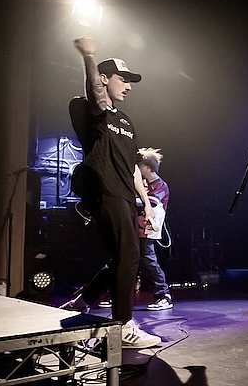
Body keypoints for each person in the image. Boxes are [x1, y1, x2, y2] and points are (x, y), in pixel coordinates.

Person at [60, 36, 161, 349]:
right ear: (104, 78)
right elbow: (96, 96)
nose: (129, 87)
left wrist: (145, 203)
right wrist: (89, 55)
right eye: (123, 79)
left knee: (122, 257)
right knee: (129, 255)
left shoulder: (126, 121)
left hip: (126, 196)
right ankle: (123, 326)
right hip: (105, 192)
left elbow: (133, 168)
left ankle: (82, 301)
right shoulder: (86, 107)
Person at [137, 147, 173, 311]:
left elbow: (151, 203)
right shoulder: (144, 184)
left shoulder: (160, 185)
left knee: (148, 260)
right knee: (132, 260)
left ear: (147, 167)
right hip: (137, 226)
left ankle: (164, 295)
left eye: (140, 165)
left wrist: (130, 199)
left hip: (148, 228)